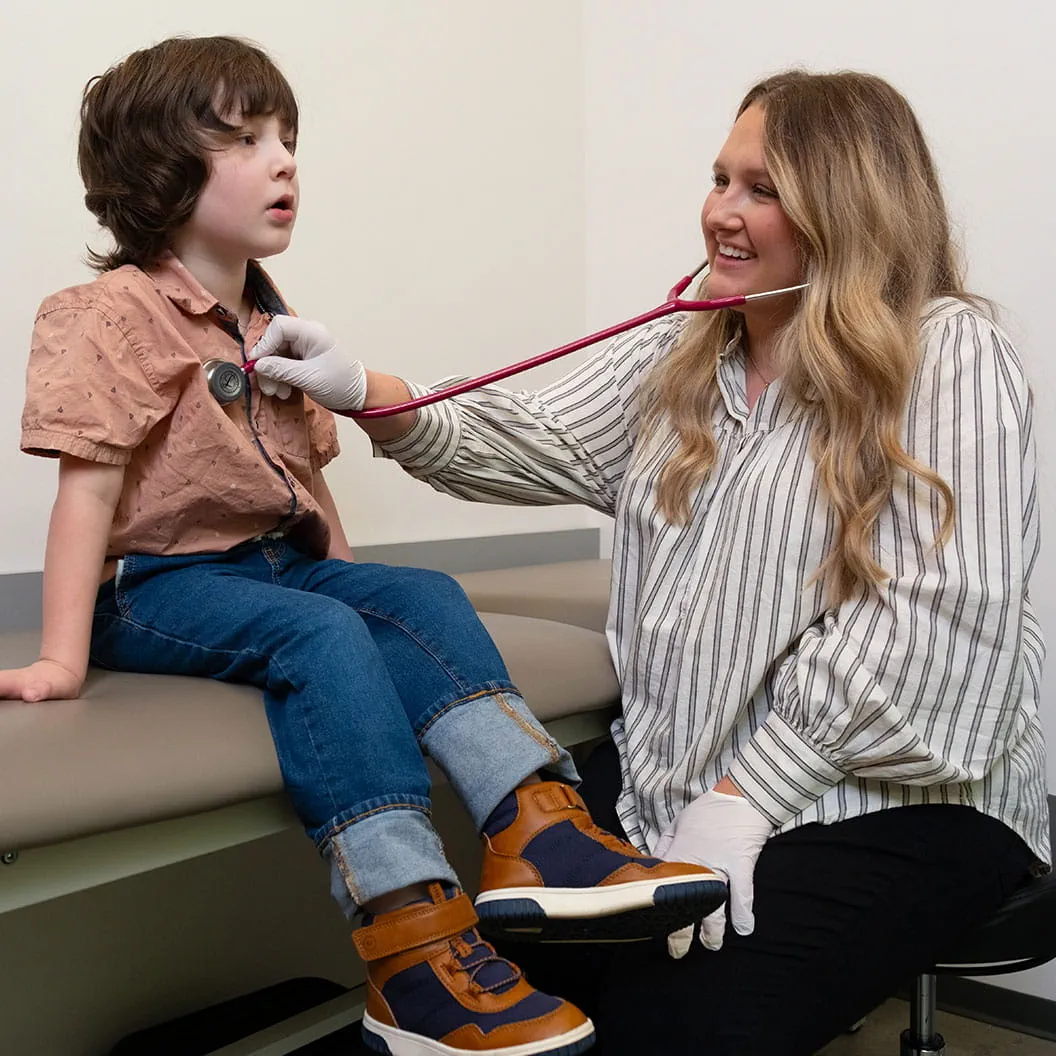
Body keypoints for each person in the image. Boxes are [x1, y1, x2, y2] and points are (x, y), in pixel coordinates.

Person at [250, 70, 1052, 1055]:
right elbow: (526, 438)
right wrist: (364, 388)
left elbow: (930, 632)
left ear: (846, 211)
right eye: (720, 179)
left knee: (678, 1029)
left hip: (890, 796)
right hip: (674, 786)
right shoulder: (685, 353)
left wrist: (744, 798)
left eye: (762, 189)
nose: (721, 211)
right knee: (483, 1011)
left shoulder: (949, 353)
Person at [2, 35, 728, 1056]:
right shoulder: (108, 314)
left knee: (419, 594)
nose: (285, 159)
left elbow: (305, 476)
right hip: (162, 585)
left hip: (276, 565)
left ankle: (539, 830)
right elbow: (89, 491)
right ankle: (409, 945)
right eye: (246, 140)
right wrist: (60, 658)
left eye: (288, 137)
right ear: (159, 172)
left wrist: (354, 581)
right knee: (321, 639)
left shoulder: (274, 320)